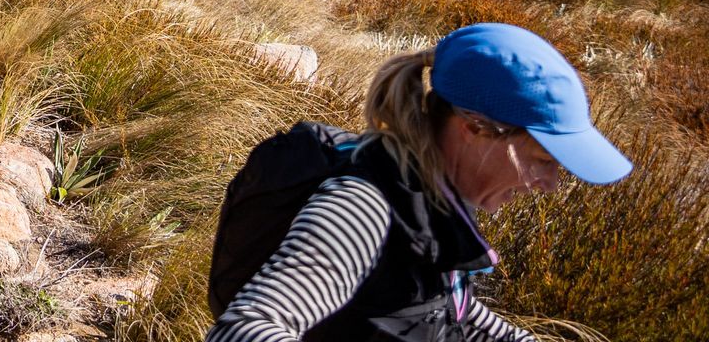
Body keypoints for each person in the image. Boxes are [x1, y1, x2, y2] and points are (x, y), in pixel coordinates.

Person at [207, 22, 633, 341]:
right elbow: (247, 328)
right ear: (475, 127)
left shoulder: (436, 200)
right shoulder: (362, 208)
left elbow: (445, 308)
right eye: (543, 160)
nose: (550, 184)